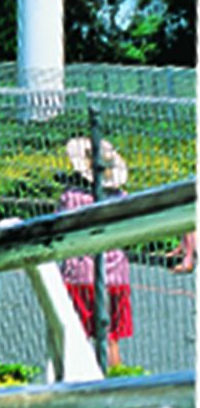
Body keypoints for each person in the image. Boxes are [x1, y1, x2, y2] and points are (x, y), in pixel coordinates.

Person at [58, 136, 132, 371]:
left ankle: (78, 380)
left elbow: (61, 230)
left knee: (75, 334)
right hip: (116, 276)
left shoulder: (72, 197)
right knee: (110, 338)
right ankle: (115, 379)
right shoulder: (120, 198)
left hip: (80, 274)